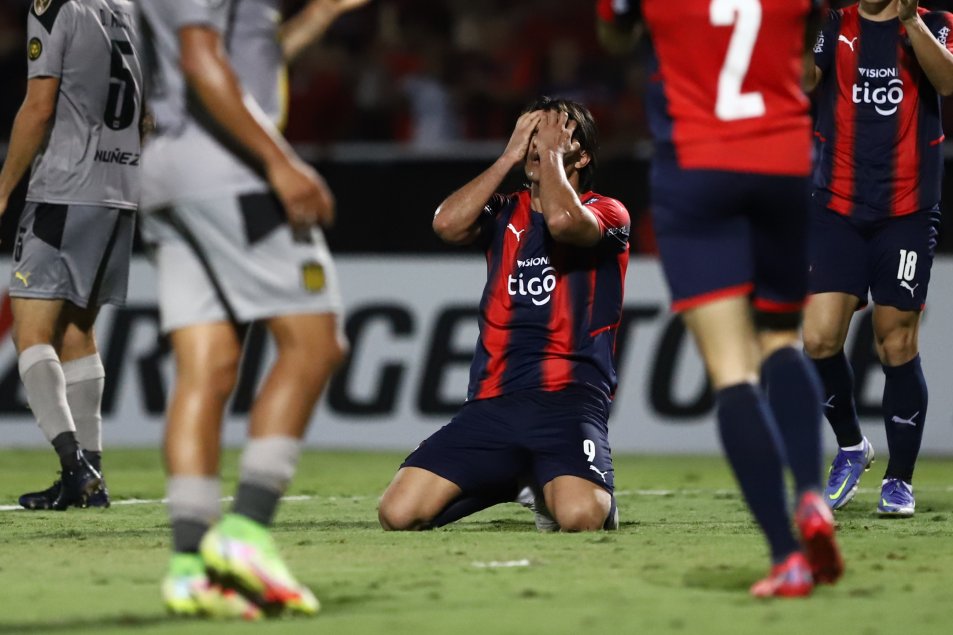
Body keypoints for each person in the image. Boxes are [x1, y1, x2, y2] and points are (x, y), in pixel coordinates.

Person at [597, 0, 843, 597]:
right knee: (782, 337)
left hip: (697, 166)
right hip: (783, 161)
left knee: (733, 373)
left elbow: (613, 37)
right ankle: (812, 493)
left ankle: (787, 558)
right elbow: (812, 64)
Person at [138, 0, 367, 620]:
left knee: (207, 367)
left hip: (166, 176)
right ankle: (247, 530)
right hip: (228, 176)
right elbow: (201, 59)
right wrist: (280, 162)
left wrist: (316, 17)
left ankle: (191, 567)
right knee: (316, 343)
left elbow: (239, 58)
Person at [378, 97, 630, 534]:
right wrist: (509, 155)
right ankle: (514, 479)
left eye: (553, 134)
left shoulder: (608, 212)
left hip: (568, 402)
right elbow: (446, 224)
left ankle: (565, 489)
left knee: (580, 518)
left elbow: (564, 224)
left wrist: (549, 156)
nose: (539, 144)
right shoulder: (501, 210)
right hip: (491, 404)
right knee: (397, 513)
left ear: (583, 154)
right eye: (531, 135)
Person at [803, 0, 952, 518]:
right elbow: (801, 81)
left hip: (907, 211)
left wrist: (910, 22)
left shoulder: (933, 23)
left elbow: (949, 82)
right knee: (818, 339)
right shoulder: (834, 24)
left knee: (896, 341)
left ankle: (899, 479)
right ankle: (851, 446)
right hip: (838, 208)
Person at [0, 0, 142, 510]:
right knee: (79, 332)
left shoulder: (55, 6)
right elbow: (147, 113)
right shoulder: (128, 9)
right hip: (120, 188)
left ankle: (73, 464)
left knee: (32, 332)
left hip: (64, 189)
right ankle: (91, 480)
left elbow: (39, 107)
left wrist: (2, 190)